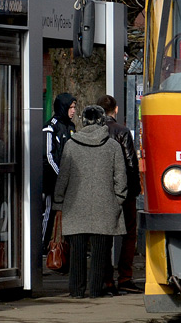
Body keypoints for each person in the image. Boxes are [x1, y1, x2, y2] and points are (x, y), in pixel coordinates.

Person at [53, 105, 127, 299]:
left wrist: (59, 200)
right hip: (105, 205)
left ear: (83, 121)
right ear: (102, 121)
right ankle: (96, 290)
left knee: (77, 251)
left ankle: (76, 291)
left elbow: (64, 176)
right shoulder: (113, 146)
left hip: (75, 206)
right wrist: (118, 199)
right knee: (101, 252)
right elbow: (120, 178)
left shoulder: (71, 144)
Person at [97, 95, 142, 293]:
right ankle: (125, 277)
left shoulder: (95, 132)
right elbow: (131, 164)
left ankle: (106, 279)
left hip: (102, 190)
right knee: (129, 232)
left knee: (105, 234)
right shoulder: (122, 131)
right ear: (115, 110)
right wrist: (134, 189)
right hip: (124, 190)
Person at [42, 93, 76, 252]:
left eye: (74, 107)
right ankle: (43, 245)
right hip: (52, 180)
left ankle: (64, 246)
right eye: (70, 107)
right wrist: (61, 174)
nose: (73, 111)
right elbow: (49, 155)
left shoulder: (71, 127)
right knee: (49, 213)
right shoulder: (51, 127)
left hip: (68, 180)